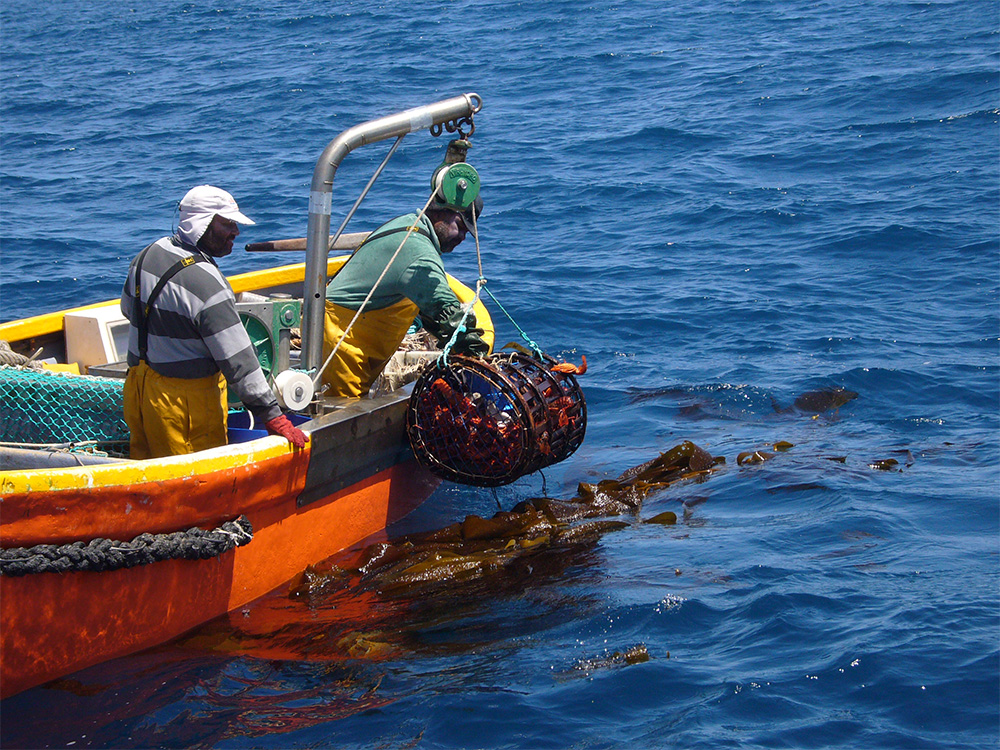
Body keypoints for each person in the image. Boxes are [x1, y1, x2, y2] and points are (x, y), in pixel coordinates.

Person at [120, 184, 308, 459]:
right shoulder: (209, 285)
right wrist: (272, 415)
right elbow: (238, 361)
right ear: (202, 224)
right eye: (228, 223)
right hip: (185, 408)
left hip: (139, 393)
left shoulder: (147, 254)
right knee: (192, 487)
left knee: (149, 479)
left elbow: (129, 310)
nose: (236, 232)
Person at [321, 193, 490, 397]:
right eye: (461, 227)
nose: (463, 237)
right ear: (442, 211)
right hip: (341, 342)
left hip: (349, 337)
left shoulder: (409, 224)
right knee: (342, 414)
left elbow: (433, 312)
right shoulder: (419, 255)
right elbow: (450, 316)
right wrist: (478, 358)